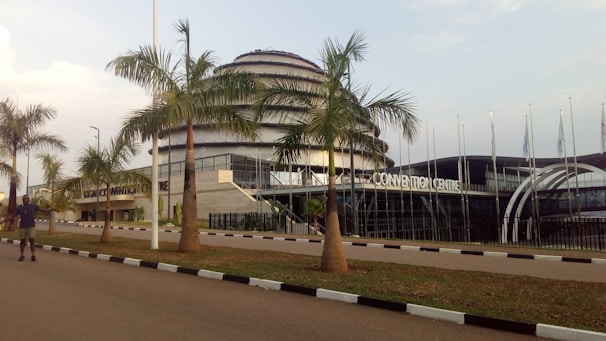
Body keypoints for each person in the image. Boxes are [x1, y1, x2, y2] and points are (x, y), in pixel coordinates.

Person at [0, 194, 55, 261]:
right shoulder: (19, 208)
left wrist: (51, 209)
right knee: (23, 241)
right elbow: (12, 216)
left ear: (28, 199)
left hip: (31, 226)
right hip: (22, 227)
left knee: (32, 241)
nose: (25, 200)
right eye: (24, 198)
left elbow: (42, 210)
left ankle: (33, 255)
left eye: (26, 198)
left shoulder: (33, 206)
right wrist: (3, 221)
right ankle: (22, 255)